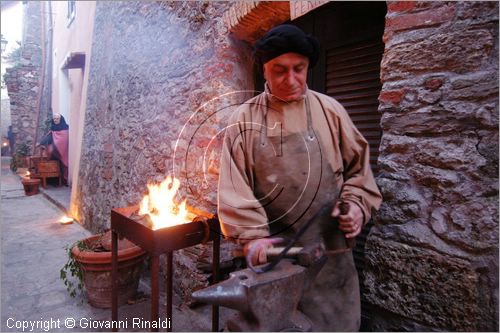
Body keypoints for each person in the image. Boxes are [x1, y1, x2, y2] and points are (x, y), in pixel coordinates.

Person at [217, 24, 382, 331]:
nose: (290, 80)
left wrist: (357, 205)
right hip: (275, 261)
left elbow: (359, 170)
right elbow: (234, 188)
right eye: (279, 70)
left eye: (299, 69)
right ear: (264, 70)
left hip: (331, 258)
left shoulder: (331, 111)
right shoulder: (244, 120)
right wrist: (252, 239)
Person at [38, 113, 69, 184]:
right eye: (54, 119)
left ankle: (62, 181)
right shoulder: (53, 128)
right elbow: (49, 136)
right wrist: (41, 143)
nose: (55, 120)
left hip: (61, 151)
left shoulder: (65, 128)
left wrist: (55, 146)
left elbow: (63, 140)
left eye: (57, 118)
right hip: (53, 152)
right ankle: (52, 181)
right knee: (52, 165)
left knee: (60, 166)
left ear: (61, 119)